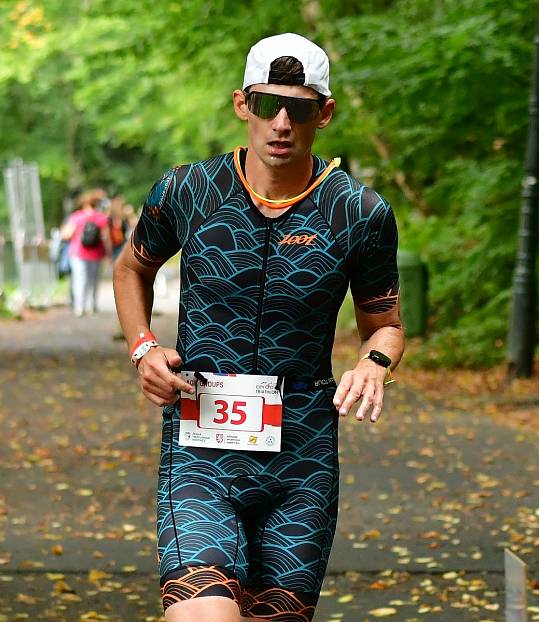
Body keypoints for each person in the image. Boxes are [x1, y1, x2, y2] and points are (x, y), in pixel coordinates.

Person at [113, 32, 404, 622]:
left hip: (303, 456)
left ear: (324, 114)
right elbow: (130, 269)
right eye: (267, 104)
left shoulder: (360, 212)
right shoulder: (188, 191)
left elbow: (386, 325)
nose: (281, 123)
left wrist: (374, 365)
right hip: (200, 450)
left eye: (298, 108)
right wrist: (143, 348)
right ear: (242, 104)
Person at [62, 188, 112, 316]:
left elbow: (66, 235)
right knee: (93, 281)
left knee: (79, 280)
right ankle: (91, 306)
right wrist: (109, 254)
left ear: (84, 203)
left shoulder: (76, 217)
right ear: (96, 204)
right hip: (96, 254)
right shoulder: (101, 218)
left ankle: (79, 307)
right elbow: (106, 238)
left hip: (78, 253)